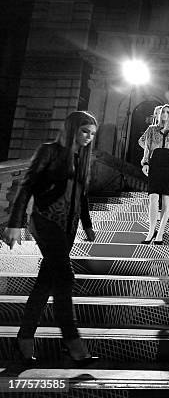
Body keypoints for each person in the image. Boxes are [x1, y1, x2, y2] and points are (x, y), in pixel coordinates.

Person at [3, 111, 99, 366]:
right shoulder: (50, 151)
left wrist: (87, 225)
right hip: (45, 221)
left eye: (91, 133)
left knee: (45, 284)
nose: (88, 137)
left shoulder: (83, 158)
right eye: (84, 131)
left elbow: (82, 194)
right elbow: (26, 186)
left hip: (68, 227)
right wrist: (14, 223)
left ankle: (24, 340)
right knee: (66, 277)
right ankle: (73, 343)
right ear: (72, 129)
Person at [140, 104, 169, 244]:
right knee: (153, 197)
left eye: (167, 112)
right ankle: (151, 231)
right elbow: (146, 148)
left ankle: (160, 233)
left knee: (166, 199)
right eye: (163, 112)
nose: (164, 114)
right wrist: (145, 163)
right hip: (156, 162)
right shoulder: (151, 130)